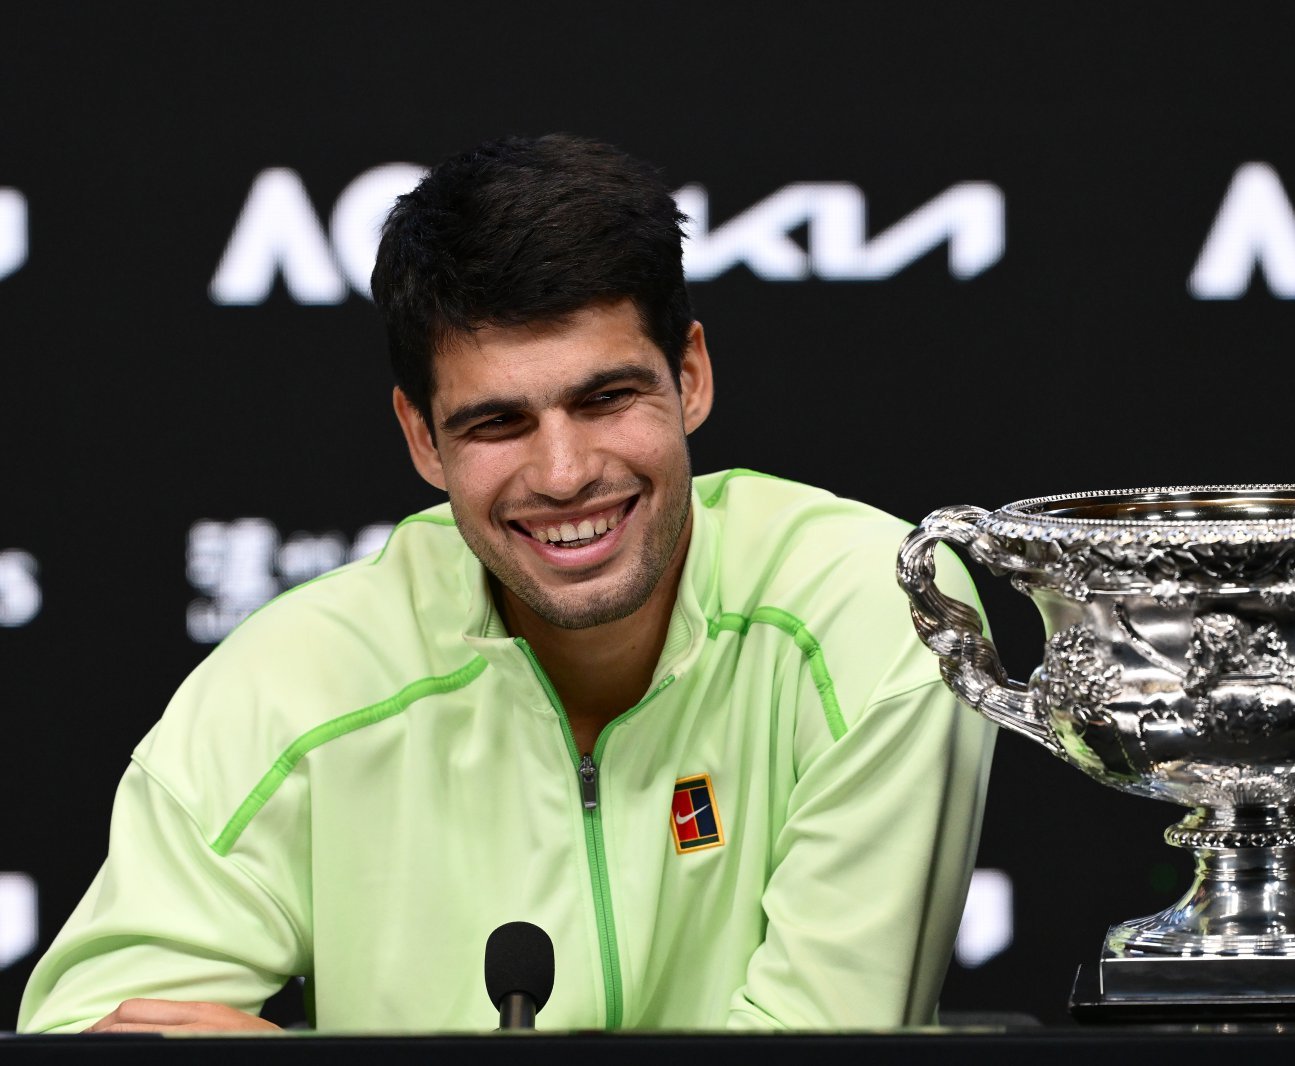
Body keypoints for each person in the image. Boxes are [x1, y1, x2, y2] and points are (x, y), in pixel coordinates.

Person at [17, 133, 996, 1033]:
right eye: (497, 424)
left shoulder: (880, 609)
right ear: (420, 437)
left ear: (689, 375)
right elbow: (96, 1032)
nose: (565, 473)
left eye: (605, 398)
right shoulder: (296, 682)